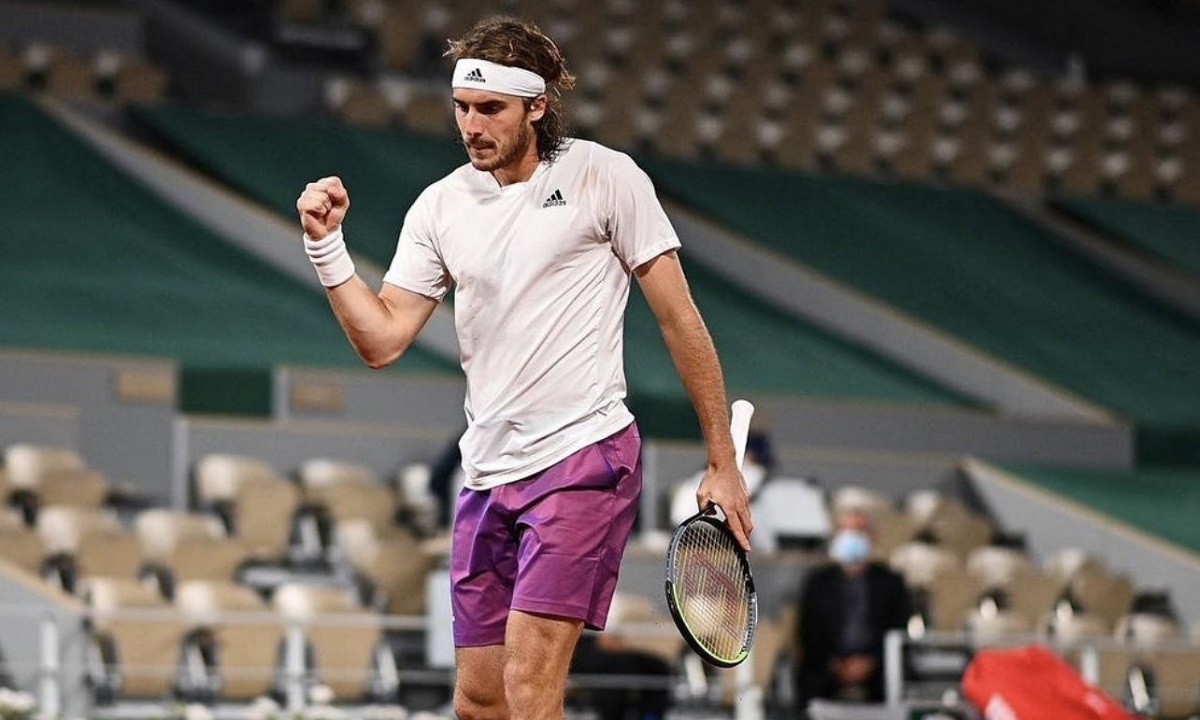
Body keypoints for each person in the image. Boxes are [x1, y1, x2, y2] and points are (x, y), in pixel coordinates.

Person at [294, 16, 752, 720]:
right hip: (486, 473)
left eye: (491, 108)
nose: (472, 126)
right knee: (479, 701)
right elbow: (382, 341)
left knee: (529, 685)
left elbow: (679, 319)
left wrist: (721, 461)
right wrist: (327, 249)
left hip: (584, 457)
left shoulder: (605, 176)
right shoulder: (440, 206)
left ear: (537, 106)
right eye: (462, 107)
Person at [793, 508, 911, 716]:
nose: (852, 537)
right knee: (809, 676)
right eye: (846, 530)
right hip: (829, 665)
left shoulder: (890, 582)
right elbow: (807, 632)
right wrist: (836, 664)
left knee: (895, 674)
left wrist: (869, 661)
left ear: (871, 537)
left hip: (877, 665)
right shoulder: (818, 582)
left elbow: (898, 626)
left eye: (859, 530)